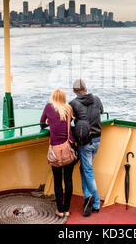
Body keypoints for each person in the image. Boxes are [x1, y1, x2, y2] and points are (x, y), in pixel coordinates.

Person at [69, 79, 104, 217]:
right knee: (84, 168)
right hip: (97, 139)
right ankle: (86, 197)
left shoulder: (73, 104)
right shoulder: (96, 99)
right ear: (86, 88)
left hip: (85, 142)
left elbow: (68, 121)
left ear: (73, 91)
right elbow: (101, 111)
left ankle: (95, 202)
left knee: (88, 171)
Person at [40, 89, 76, 219]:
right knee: (68, 179)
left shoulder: (49, 107)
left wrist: (47, 122)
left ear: (53, 97)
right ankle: (66, 209)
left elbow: (41, 124)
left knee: (57, 181)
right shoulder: (68, 108)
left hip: (55, 149)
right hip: (69, 147)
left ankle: (60, 210)